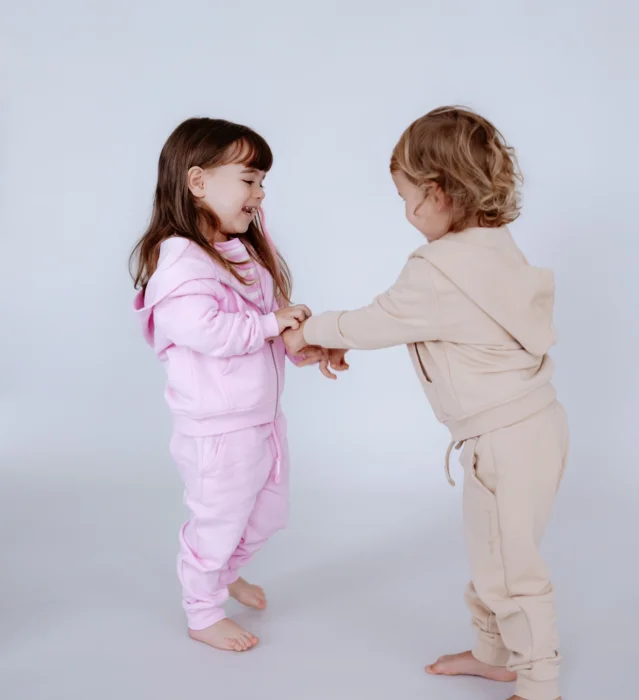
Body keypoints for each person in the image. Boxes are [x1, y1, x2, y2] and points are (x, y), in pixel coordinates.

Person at [284, 107, 568, 700]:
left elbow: (380, 319)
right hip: (536, 427)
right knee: (495, 552)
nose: (406, 211)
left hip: (504, 440)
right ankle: (493, 654)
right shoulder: (494, 247)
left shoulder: (439, 269)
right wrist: (340, 339)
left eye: (406, 197)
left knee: (510, 567)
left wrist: (311, 331)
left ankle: (539, 683)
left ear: (436, 193)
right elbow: (419, 323)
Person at [132, 117, 335, 652]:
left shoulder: (243, 252)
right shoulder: (180, 261)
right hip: (217, 432)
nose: (259, 193)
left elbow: (267, 322)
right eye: (249, 180)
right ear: (198, 181)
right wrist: (270, 325)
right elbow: (205, 330)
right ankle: (202, 611)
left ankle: (223, 573)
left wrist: (299, 342)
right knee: (218, 521)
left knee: (267, 513)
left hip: (261, 419)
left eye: (263, 182)